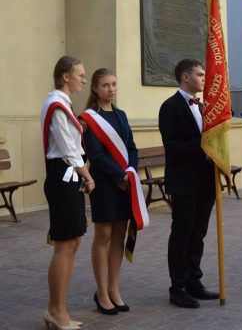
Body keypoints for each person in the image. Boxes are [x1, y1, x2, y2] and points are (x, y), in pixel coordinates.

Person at [158, 59, 219, 308]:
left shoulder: (203, 106)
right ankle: (178, 287)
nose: (204, 78)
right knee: (181, 235)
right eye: (200, 74)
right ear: (185, 77)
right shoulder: (170, 107)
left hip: (206, 180)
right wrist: (203, 143)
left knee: (198, 234)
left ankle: (194, 281)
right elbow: (172, 147)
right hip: (184, 182)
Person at [40, 56, 95, 330]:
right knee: (64, 246)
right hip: (62, 179)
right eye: (80, 75)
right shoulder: (57, 105)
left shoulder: (64, 104)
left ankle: (59, 308)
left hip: (69, 178)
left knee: (73, 244)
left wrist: (82, 172)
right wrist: (88, 175)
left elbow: (73, 149)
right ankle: (55, 310)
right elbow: (67, 149)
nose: (84, 80)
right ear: (66, 76)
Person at [80, 69, 138, 315]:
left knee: (119, 235)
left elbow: (132, 148)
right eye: (105, 85)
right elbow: (95, 155)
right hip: (104, 184)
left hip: (124, 183)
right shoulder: (88, 118)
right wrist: (120, 176)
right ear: (95, 88)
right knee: (103, 236)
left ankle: (114, 288)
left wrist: (130, 172)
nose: (111, 89)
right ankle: (101, 292)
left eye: (114, 84)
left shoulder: (121, 115)